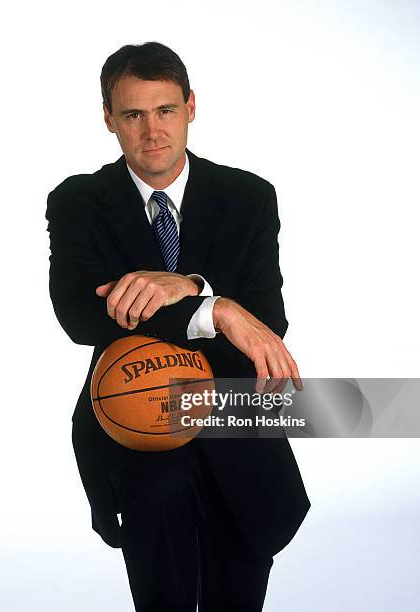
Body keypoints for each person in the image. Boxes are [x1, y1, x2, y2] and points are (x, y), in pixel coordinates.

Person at [45, 41, 311, 612]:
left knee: (236, 595)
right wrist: (214, 310)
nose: (152, 131)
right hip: (138, 424)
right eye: (133, 115)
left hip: (236, 420)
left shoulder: (248, 197)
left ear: (191, 106)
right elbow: (81, 312)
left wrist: (191, 286)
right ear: (109, 119)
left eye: (165, 110)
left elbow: (268, 318)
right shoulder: (78, 202)